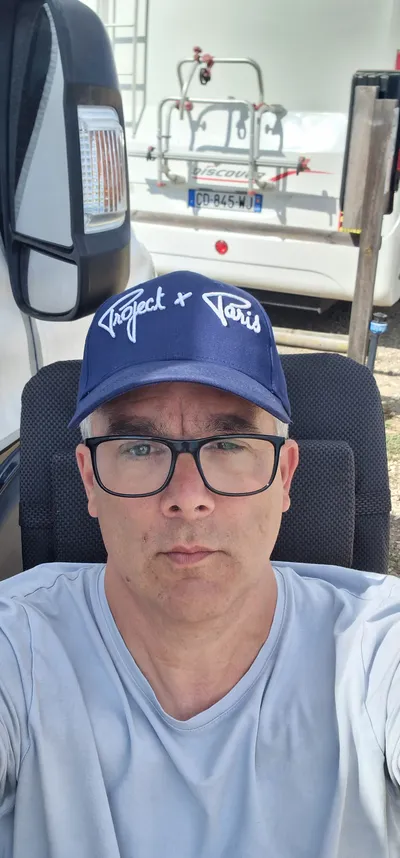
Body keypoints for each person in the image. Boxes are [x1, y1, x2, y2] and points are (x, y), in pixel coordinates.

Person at [0, 270, 399, 858]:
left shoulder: (374, 650)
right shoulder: (18, 648)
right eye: (139, 447)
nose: (187, 498)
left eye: (229, 444)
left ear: (285, 477)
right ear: (88, 480)